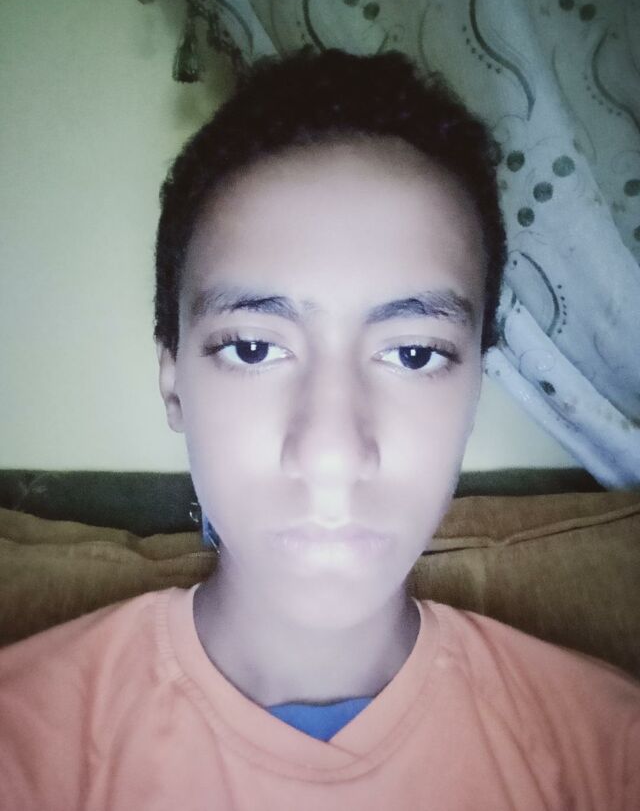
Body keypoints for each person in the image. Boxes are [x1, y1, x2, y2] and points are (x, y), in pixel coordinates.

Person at [0, 48, 638, 810]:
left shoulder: (609, 755)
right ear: (173, 381)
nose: (331, 452)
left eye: (413, 353)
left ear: (475, 385)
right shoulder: (24, 748)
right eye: (252, 348)